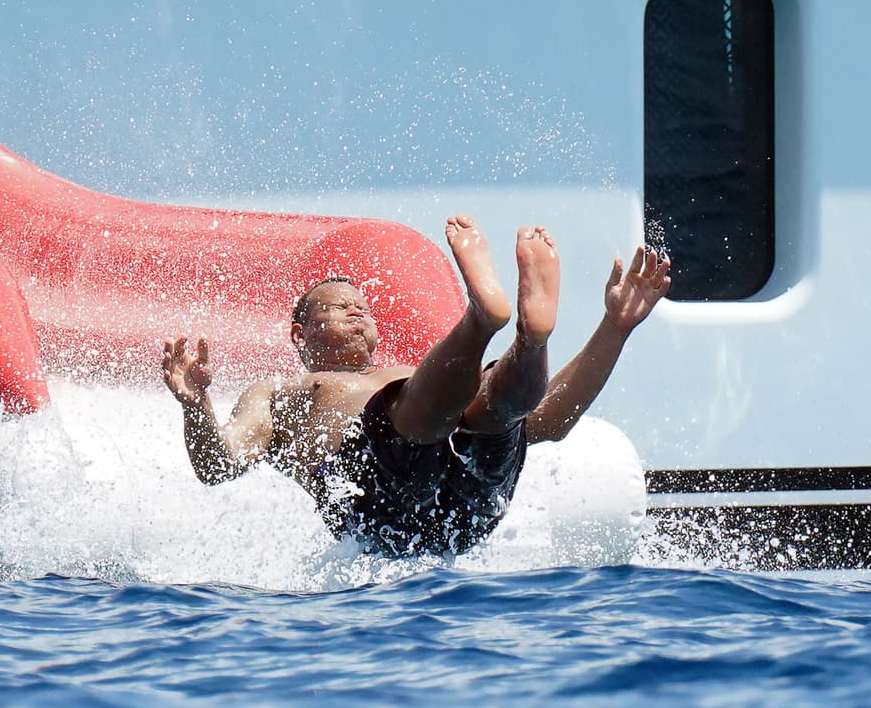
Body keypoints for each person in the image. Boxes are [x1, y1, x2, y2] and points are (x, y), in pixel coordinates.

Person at [161, 215, 670, 557]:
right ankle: (482, 318)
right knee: (415, 418)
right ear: (300, 333)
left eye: (362, 306)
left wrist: (615, 326)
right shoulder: (276, 391)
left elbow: (551, 422)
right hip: (373, 498)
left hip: (467, 513)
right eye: (337, 306)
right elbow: (216, 465)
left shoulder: (412, 372)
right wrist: (196, 404)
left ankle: (527, 338)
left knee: (498, 410)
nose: (356, 309)